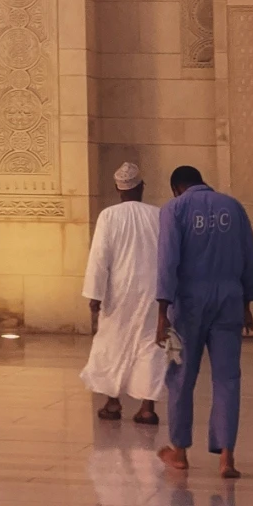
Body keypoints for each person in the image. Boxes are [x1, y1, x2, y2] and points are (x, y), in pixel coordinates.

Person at [154, 164, 253, 480]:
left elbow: (167, 261)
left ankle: (180, 451)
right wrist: (247, 305)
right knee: (228, 378)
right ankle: (226, 457)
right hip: (229, 300)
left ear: (176, 188)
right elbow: (249, 257)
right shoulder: (233, 207)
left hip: (187, 306)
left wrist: (162, 313)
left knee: (180, 376)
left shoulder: (174, 209)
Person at [80, 161, 167, 425]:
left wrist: (94, 295)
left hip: (118, 293)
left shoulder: (109, 216)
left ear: (118, 189)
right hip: (152, 293)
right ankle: (147, 408)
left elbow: (99, 258)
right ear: (142, 187)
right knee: (150, 346)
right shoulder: (158, 215)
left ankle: (113, 402)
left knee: (112, 344)